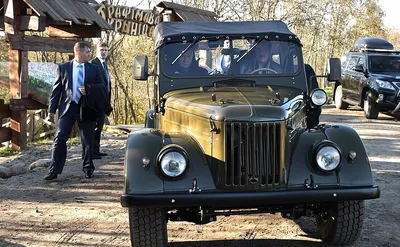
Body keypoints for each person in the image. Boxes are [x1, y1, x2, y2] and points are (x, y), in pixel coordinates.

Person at [45, 41, 105, 180]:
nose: (90, 54)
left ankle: (88, 168)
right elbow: (56, 91)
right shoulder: (63, 68)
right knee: (59, 138)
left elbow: (101, 86)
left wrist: (89, 89)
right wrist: (51, 111)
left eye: (90, 52)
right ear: (78, 52)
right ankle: (54, 170)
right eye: (87, 52)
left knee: (88, 140)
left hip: (86, 107)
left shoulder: (94, 68)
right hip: (68, 108)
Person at [90, 42, 111, 158]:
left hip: (104, 101)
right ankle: (92, 151)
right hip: (96, 102)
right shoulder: (93, 64)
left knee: (99, 127)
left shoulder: (104, 64)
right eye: (102, 50)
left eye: (106, 50)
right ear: (97, 51)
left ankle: (96, 149)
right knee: (95, 127)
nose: (104, 52)